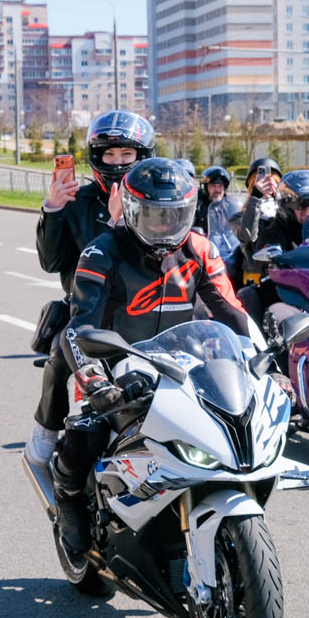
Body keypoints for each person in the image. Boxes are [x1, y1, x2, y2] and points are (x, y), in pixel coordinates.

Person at [52, 157, 250, 553]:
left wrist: (267, 364)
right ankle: (68, 500)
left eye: (174, 216)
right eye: (153, 215)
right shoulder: (100, 252)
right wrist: (94, 380)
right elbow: (77, 328)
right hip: (109, 360)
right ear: (130, 210)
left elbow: (232, 313)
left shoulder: (200, 248)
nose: (164, 226)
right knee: (86, 431)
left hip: (181, 358)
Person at [24, 110, 156, 472]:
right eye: (108, 154)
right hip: (88, 310)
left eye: (126, 153)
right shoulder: (77, 200)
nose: (117, 162)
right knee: (60, 350)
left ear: (142, 155)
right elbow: (51, 262)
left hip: (145, 308)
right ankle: (46, 428)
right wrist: (54, 208)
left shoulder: (154, 198)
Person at [234, 168, 309, 320]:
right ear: (286, 205)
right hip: (289, 295)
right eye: (302, 205)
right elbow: (256, 244)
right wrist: (274, 262)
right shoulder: (274, 232)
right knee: (277, 314)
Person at [194, 165, 242, 281]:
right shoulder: (198, 205)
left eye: (220, 186)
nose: (217, 190)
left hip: (227, 249)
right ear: (205, 187)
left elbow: (237, 228)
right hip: (204, 250)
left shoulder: (230, 204)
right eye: (213, 186)